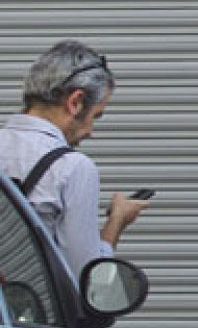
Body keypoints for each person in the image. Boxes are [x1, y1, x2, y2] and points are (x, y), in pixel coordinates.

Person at [0, 41, 148, 276]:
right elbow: (85, 277)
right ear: (75, 102)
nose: (91, 131)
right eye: (96, 116)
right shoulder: (72, 167)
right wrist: (116, 221)